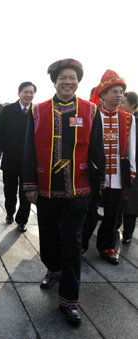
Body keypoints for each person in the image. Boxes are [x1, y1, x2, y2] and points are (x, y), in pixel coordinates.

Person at [23, 59, 105, 324]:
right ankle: (53, 268)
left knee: (72, 244)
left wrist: (98, 184)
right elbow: (29, 151)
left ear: (78, 81)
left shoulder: (91, 111)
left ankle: (69, 300)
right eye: (62, 78)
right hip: (45, 190)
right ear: (55, 82)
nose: (67, 81)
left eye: (72, 77)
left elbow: (97, 151)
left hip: (78, 191)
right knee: (48, 240)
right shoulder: (38, 111)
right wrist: (29, 185)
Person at [84, 70, 136, 263]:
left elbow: (131, 148)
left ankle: (106, 247)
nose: (119, 95)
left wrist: (131, 171)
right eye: (114, 91)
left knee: (113, 214)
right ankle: (81, 243)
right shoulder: (91, 115)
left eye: (121, 92)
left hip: (116, 176)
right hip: (94, 175)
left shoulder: (127, 118)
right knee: (89, 211)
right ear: (103, 94)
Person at [0, 82, 36, 232]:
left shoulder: (37, 112)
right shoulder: (8, 110)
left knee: (26, 193)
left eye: (31, 93)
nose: (28, 95)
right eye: (26, 92)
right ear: (19, 93)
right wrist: (4, 147)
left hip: (29, 162)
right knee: (9, 191)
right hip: (10, 160)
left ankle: (22, 220)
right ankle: (10, 213)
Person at [119, 91, 138, 244]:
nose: (120, 105)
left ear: (133, 105)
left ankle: (128, 233)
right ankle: (115, 227)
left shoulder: (134, 122)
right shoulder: (118, 120)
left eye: (123, 103)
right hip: (120, 167)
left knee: (131, 203)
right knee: (118, 200)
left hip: (133, 169)